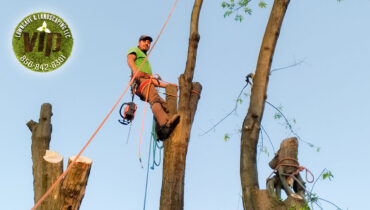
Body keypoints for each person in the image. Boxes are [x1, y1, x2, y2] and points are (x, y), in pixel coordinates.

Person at [127, 35, 180, 139]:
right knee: (154, 99)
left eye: (148, 42)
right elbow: (130, 59)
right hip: (140, 81)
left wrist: (169, 86)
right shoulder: (135, 50)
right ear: (138, 43)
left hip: (146, 81)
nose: (147, 43)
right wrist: (135, 70)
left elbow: (152, 81)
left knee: (164, 105)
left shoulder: (145, 60)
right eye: (144, 41)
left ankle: (160, 132)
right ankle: (165, 125)